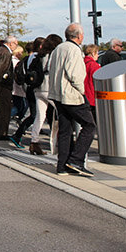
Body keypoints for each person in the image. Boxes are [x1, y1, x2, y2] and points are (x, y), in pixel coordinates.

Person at [47, 23, 96, 177]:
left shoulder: (58, 49)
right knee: (89, 125)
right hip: (71, 95)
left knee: (65, 130)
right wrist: (83, 93)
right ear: (79, 36)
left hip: (57, 95)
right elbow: (75, 75)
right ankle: (76, 160)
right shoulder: (74, 50)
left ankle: (62, 165)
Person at [27, 34, 62, 156]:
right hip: (49, 87)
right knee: (61, 113)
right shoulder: (52, 55)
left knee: (40, 116)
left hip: (38, 88)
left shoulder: (38, 56)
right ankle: (59, 142)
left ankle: (34, 142)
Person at [11, 37, 44, 149]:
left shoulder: (27, 58)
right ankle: (19, 135)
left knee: (35, 114)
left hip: (29, 88)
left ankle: (19, 135)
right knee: (35, 115)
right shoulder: (37, 58)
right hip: (37, 89)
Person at [83, 44, 101, 121]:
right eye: (97, 53)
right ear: (93, 53)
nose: (98, 55)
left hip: (83, 95)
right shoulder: (95, 66)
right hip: (92, 96)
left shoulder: (82, 63)